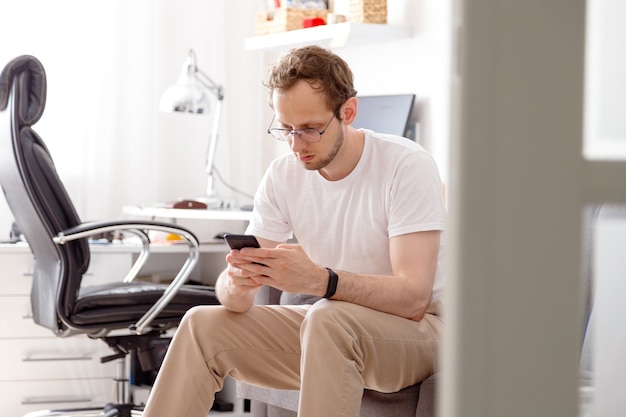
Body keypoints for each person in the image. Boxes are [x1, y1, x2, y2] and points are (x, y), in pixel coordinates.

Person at [142, 45, 445, 417]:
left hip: (422, 334)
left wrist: (323, 282)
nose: (295, 145)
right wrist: (237, 283)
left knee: (327, 316)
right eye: (285, 129)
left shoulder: (405, 165)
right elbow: (234, 297)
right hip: (334, 329)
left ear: (348, 112)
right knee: (201, 325)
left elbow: (414, 298)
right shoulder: (284, 175)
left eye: (310, 130)